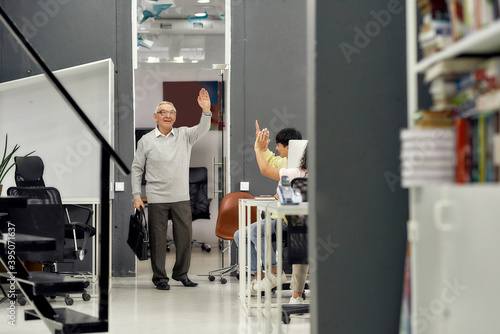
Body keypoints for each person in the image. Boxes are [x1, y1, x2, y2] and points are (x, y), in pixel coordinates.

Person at [131, 88, 212, 290]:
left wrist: (206, 111)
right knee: (158, 241)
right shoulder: (146, 140)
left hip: (181, 196)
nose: (168, 115)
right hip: (157, 197)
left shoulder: (185, 135)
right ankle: (160, 278)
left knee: (184, 237)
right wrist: (136, 195)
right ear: (155, 116)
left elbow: (203, 129)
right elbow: (136, 168)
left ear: (175, 116)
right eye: (163, 112)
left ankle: (181, 274)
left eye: (171, 112)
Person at [234, 125, 305, 300]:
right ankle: (262, 279)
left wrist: (258, 148)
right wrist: (263, 148)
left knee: (255, 231)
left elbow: (266, 169)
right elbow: (272, 161)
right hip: (280, 216)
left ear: (289, 146)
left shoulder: (296, 167)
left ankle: (274, 272)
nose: (276, 148)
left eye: (278, 145)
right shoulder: (286, 162)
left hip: (293, 220)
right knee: (238, 235)